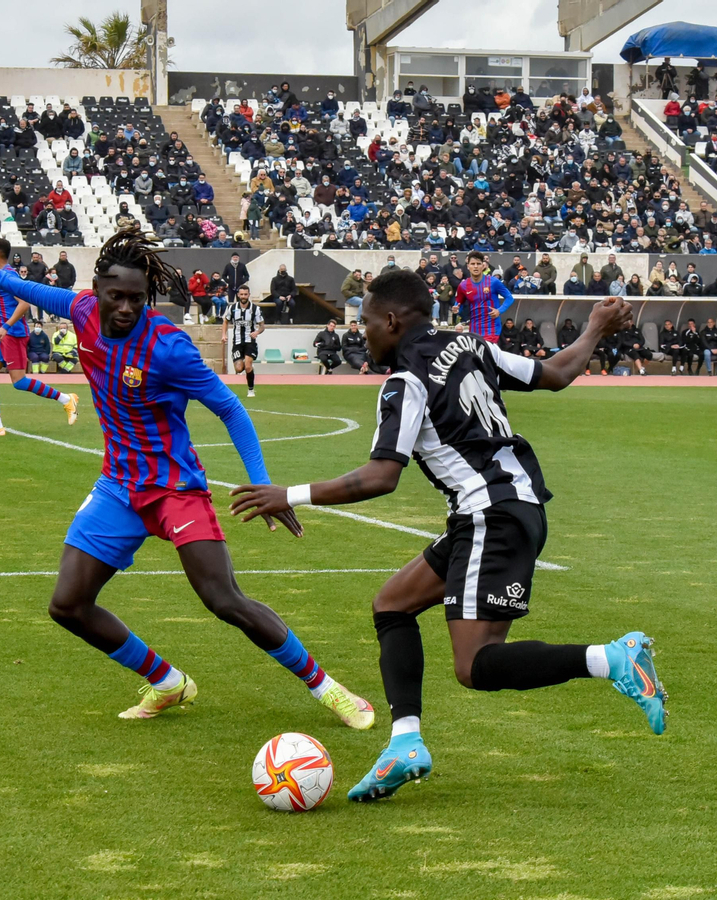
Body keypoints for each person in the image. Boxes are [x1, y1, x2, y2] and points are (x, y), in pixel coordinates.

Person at [227, 272, 665, 803]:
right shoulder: (470, 344)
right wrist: (595, 327)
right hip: (497, 510)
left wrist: (288, 494)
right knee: (391, 605)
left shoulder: (404, 380)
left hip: (492, 515)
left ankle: (612, 659)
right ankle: (405, 743)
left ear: (391, 321)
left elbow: (380, 476)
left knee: (476, 666)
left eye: (365, 322)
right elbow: (554, 373)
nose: (362, 333)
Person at [0, 234, 376, 727]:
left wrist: (264, 484)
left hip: (175, 489)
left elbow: (231, 410)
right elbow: (44, 295)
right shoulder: (85, 310)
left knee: (224, 600)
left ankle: (328, 689)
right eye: (117, 296)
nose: (127, 307)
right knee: (67, 605)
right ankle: (167, 681)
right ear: (98, 290)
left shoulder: (168, 347)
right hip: (118, 486)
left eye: (138, 297)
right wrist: (0, 277)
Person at [0, 239, 81, 437]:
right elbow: (4, 309)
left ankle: (66, 399)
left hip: (13, 334)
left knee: (19, 382)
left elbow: (24, 304)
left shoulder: (9, 277)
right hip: (2, 334)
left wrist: (6, 327)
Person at [455, 251, 514, 343]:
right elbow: (459, 304)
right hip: (474, 329)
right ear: (468, 266)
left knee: (486, 353)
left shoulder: (493, 282)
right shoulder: (463, 286)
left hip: (492, 329)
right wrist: (457, 309)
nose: (475, 266)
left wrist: (499, 310)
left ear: (483, 266)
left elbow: (509, 298)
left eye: (478, 264)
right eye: (473, 264)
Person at [222, 284, 265, 397]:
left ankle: (251, 389)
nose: (243, 296)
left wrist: (257, 332)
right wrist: (224, 335)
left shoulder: (255, 309)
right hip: (237, 342)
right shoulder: (232, 308)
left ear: (249, 295)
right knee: (239, 368)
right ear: (238, 295)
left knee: (248, 366)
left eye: (245, 294)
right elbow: (225, 321)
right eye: (241, 294)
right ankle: (247, 366)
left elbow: (262, 326)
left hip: (250, 341)